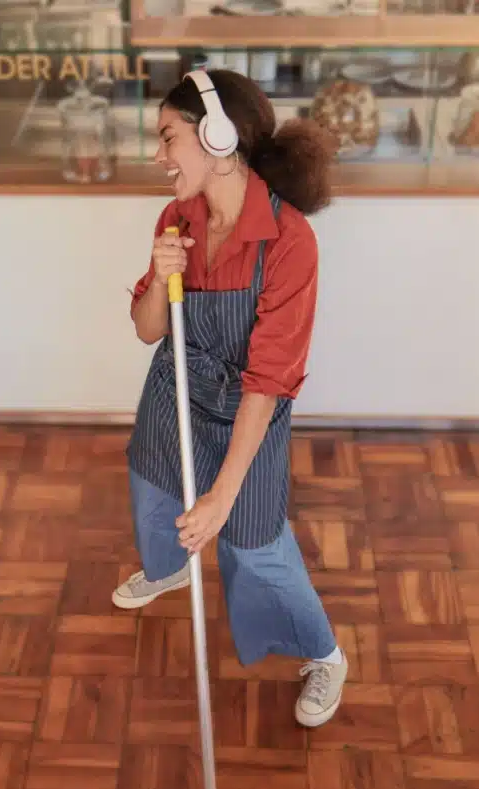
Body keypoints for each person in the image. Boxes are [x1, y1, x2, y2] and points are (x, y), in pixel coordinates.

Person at [115, 67, 347, 727]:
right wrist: (162, 277)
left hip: (249, 407)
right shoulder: (176, 218)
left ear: (218, 136)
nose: (158, 158)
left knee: (251, 539)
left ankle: (323, 653)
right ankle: (168, 570)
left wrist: (222, 495)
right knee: (154, 485)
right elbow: (147, 331)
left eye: (167, 139)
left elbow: (270, 379)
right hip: (174, 386)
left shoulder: (289, 241)